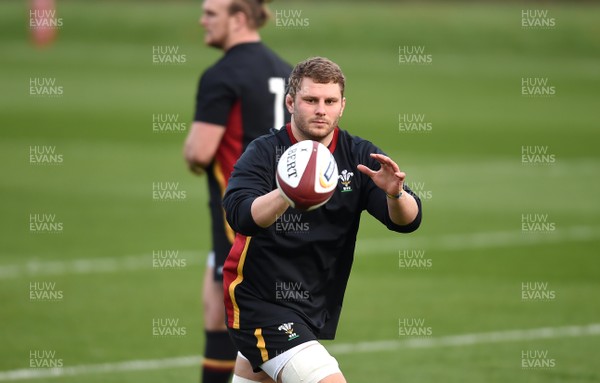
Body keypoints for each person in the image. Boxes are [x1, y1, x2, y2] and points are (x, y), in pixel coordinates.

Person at [222, 57, 422, 383]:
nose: (321, 110)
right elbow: (240, 215)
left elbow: (407, 222)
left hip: (312, 304)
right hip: (259, 300)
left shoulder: (358, 156)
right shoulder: (263, 153)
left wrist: (396, 195)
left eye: (330, 101)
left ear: (342, 106)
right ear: (290, 102)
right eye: (310, 100)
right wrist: (287, 191)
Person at [183, 0, 291, 382]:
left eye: (211, 13)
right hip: (286, 213)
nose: (202, 21)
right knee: (218, 310)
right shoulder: (285, 70)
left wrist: (191, 157)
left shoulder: (222, 75)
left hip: (241, 219)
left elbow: (199, 151)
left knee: (250, 325)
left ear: (240, 18)